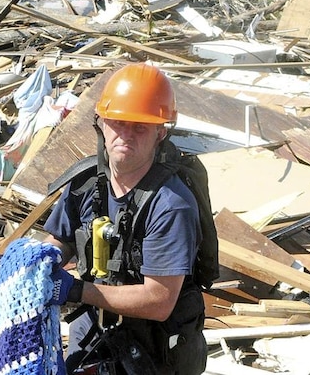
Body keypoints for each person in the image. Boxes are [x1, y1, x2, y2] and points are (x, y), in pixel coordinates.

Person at [44, 63, 209, 375]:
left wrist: (76, 291)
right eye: (118, 123)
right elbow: (61, 240)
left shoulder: (171, 205)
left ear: (161, 132)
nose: (126, 135)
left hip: (151, 348)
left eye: (140, 127)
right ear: (102, 123)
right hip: (92, 331)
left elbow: (158, 300)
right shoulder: (86, 184)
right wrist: (41, 262)